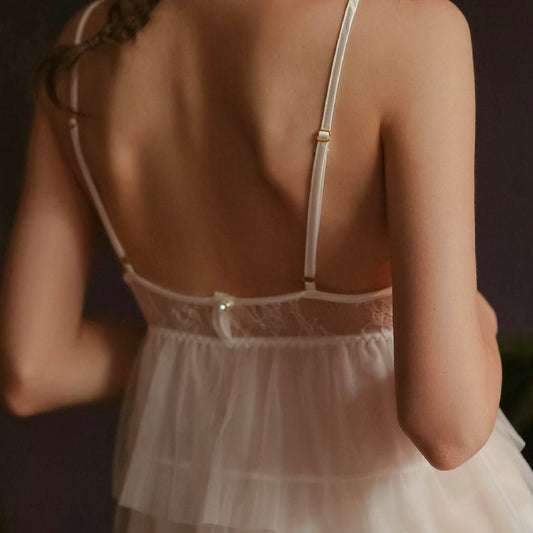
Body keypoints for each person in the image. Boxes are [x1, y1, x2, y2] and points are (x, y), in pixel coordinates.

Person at [1, 0, 533, 530]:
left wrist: (206, 344)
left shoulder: (84, 44)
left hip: (201, 505)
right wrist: (480, 321)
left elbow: (34, 369)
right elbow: (447, 426)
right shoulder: (412, 31)